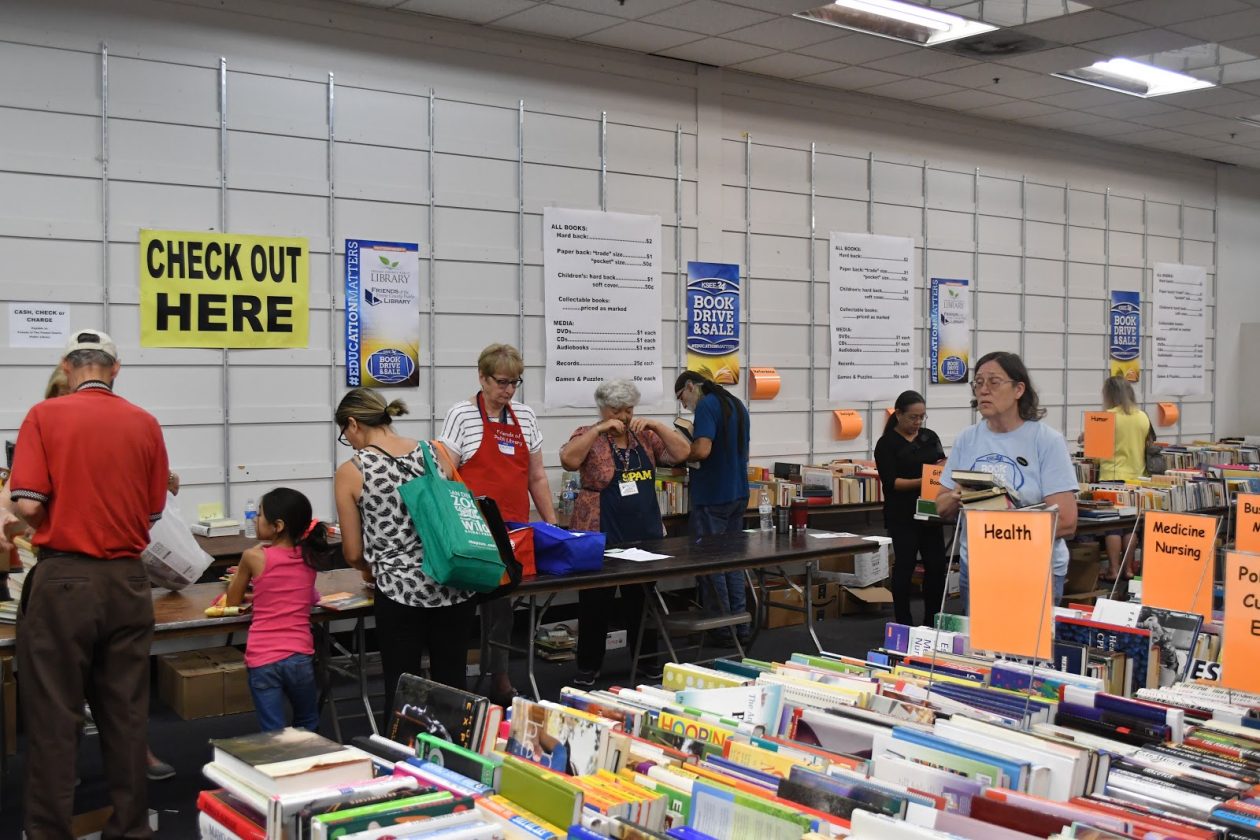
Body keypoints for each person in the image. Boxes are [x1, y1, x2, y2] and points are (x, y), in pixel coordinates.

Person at [7, 329, 169, 839]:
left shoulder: (44, 415)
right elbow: (154, 509)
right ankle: (130, 829)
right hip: (127, 581)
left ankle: (51, 832)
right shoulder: (144, 422)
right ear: (115, 369)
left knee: (56, 717)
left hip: (65, 580)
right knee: (125, 714)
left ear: (67, 365)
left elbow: (28, 502)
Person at [334, 388, 475, 719]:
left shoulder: (353, 470)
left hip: (399, 592)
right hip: (453, 584)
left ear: (353, 424)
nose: (348, 440)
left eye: (345, 433)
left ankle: (402, 761)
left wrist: (372, 572)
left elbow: (353, 552)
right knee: (453, 685)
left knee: (402, 690)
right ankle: (457, 760)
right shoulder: (432, 451)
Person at [439, 344, 556, 707]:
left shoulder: (525, 416)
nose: (507, 390)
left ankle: (500, 680)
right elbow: (446, 473)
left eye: (514, 383)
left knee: (501, 613)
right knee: (458, 610)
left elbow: (536, 476)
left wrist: (552, 525)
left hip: (513, 531)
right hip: (471, 531)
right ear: (482, 378)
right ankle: (453, 683)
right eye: (501, 382)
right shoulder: (461, 415)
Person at [559, 379, 691, 686]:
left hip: (643, 533)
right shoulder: (587, 434)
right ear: (604, 409)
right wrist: (598, 431)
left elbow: (682, 453)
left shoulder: (643, 436)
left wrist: (658, 427)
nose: (624, 416)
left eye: (629, 409)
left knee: (641, 603)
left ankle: (647, 666)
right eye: (617, 410)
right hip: (600, 532)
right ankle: (588, 669)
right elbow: (568, 460)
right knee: (595, 605)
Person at [936, 352, 1078, 608]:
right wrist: (957, 496)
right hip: (978, 569)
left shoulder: (1046, 441)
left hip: (1032, 570)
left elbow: (1066, 521)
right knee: (980, 648)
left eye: (994, 382)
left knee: (1027, 648)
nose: (983, 390)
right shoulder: (967, 439)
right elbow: (941, 506)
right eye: (978, 382)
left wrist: (1006, 534)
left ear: (1018, 389)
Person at [225, 487, 336, 732]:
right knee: (307, 722)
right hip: (299, 656)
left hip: (263, 658)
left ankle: (276, 768)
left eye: (260, 514)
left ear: (278, 525)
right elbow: (307, 595)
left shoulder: (253, 557)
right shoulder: (309, 557)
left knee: (273, 732)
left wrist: (244, 581)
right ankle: (307, 766)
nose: (255, 519)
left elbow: (232, 600)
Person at [673, 371, 751, 639]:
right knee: (732, 561)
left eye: (683, 398)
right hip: (738, 492)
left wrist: (682, 454)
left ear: (691, 386)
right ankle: (740, 626)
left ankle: (720, 629)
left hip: (712, 494)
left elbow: (703, 450)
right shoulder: (736, 403)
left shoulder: (707, 404)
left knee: (710, 563)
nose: (685, 406)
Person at [874, 390, 948, 627]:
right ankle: (903, 622)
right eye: (912, 417)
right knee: (905, 567)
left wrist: (939, 472)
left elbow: (941, 463)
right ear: (898, 414)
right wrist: (925, 479)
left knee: (936, 567)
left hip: (930, 512)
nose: (917, 423)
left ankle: (932, 620)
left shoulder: (929, 437)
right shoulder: (886, 444)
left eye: (921, 417)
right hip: (902, 514)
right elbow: (892, 483)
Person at [1096, 375, 1152, 581]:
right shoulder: (1142, 416)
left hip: (1111, 477)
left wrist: (1087, 436)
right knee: (1130, 526)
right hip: (1138, 478)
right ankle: (1128, 568)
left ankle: (1113, 569)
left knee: (1113, 526)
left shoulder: (1106, 416)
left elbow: (1094, 452)